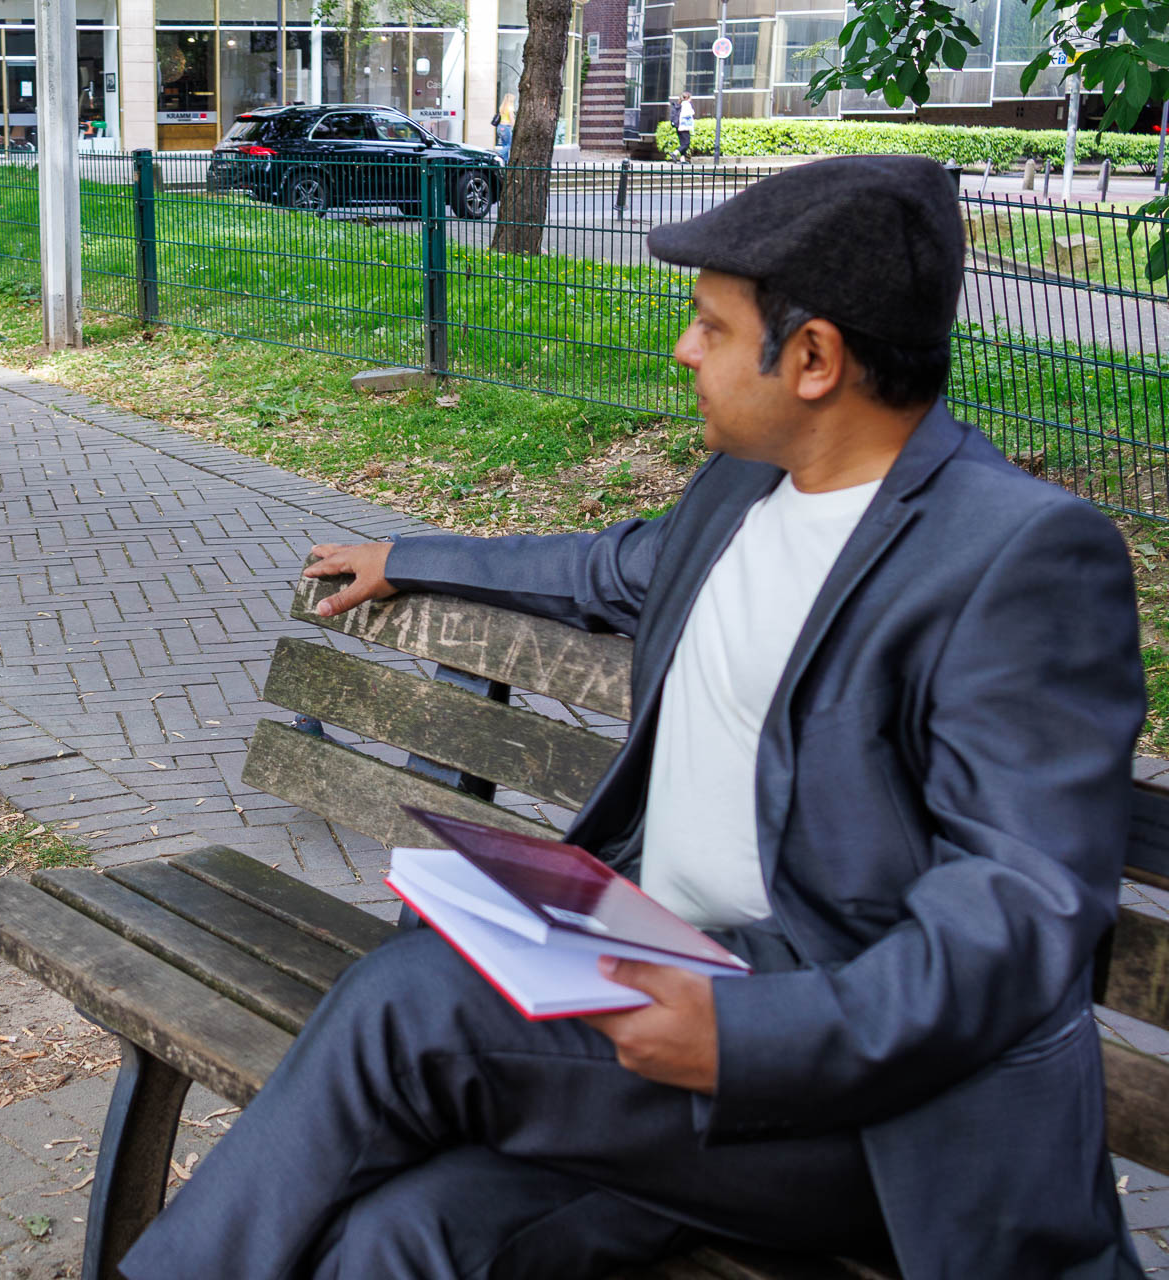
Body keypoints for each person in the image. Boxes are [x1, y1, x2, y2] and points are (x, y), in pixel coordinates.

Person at [117, 154, 1144, 1279]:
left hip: (873, 1119)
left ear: (813, 358)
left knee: (415, 1002)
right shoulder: (746, 486)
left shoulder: (1019, 557)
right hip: (663, 1024)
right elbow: (604, 568)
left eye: (709, 324)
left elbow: (1019, 915)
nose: (683, 350)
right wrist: (408, 557)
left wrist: (746, 1037)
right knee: (398, 1237)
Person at [673, 90, 695, 163]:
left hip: (678, 126)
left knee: (683, 144)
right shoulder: (686, 104)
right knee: (686, 143)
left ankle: (682, 160)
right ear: (688, 97)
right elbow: (689, 113)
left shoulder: (680, 104)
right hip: (684, 126)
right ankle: (675, 153)